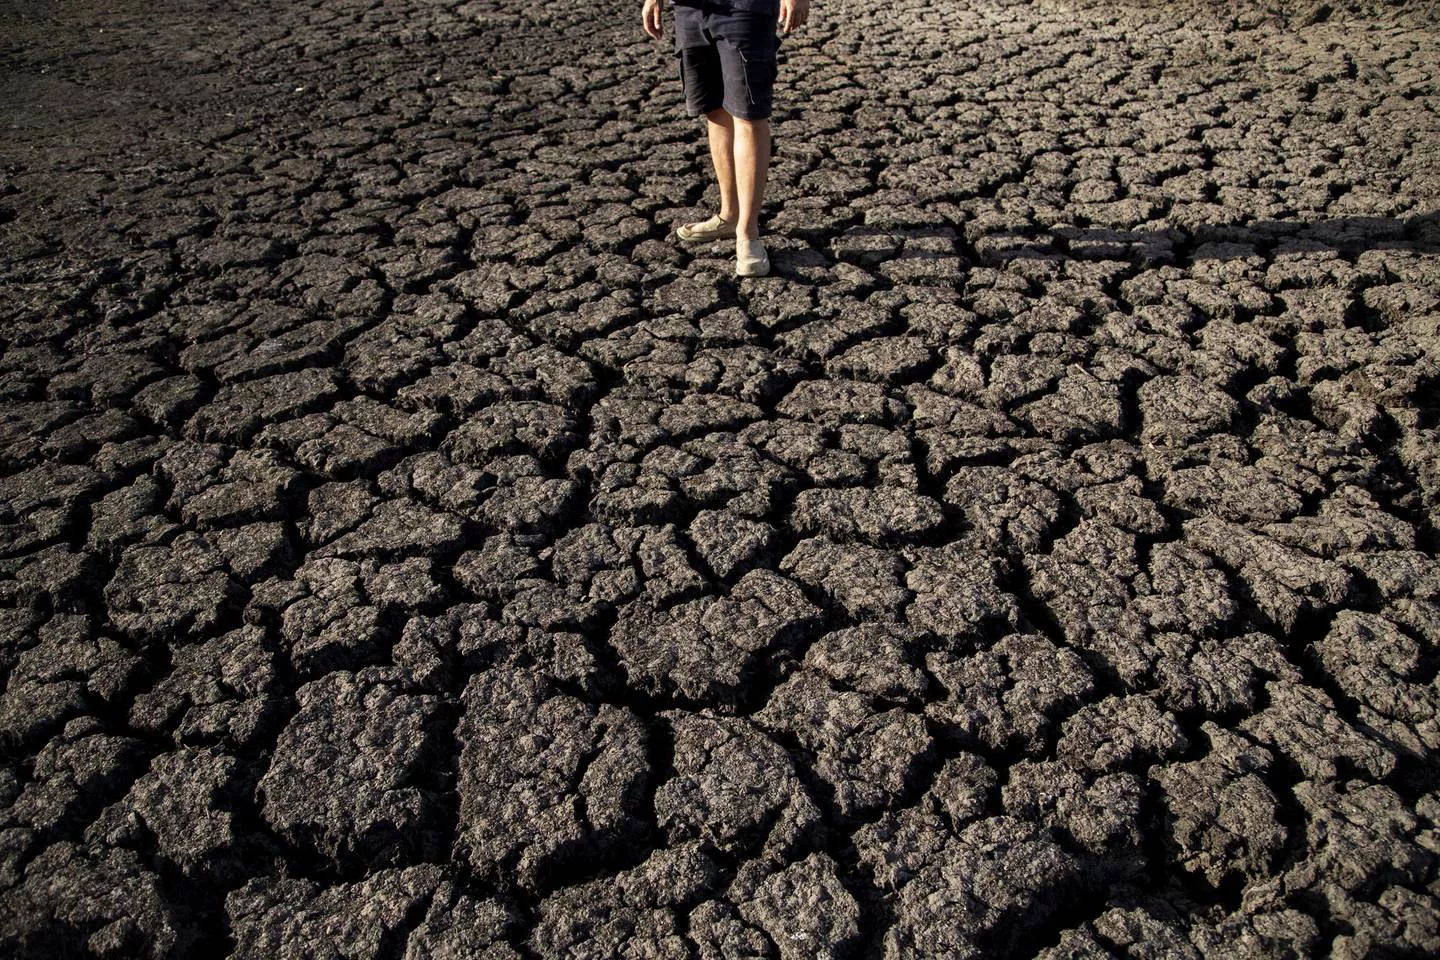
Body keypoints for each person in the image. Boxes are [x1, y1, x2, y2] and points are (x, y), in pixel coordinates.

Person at [642, 0, 810, 277]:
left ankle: (748, 233)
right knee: (715, 109)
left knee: (747, 114)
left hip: (744, 8)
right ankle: (729, 216)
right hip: (691, 8)